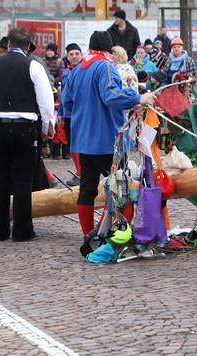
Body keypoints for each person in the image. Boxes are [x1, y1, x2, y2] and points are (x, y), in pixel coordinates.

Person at [61, 30, 153, 238]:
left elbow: (66, 103)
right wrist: (137, 98)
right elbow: (111, 95)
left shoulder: (77, 69)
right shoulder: (104, 65)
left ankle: (88, 234)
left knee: (87, 189)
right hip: (105, 139)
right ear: (108, 48)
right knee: (119, 187)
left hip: (83, 141)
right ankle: (108, 231)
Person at [0, 27, 56, 242]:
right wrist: (47, 126)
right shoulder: (33, 65)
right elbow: (45, 101)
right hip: (24, 126)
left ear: (9, 44)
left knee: (1, 179)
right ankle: (22, 230)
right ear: (28, 46)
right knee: (23, 179)